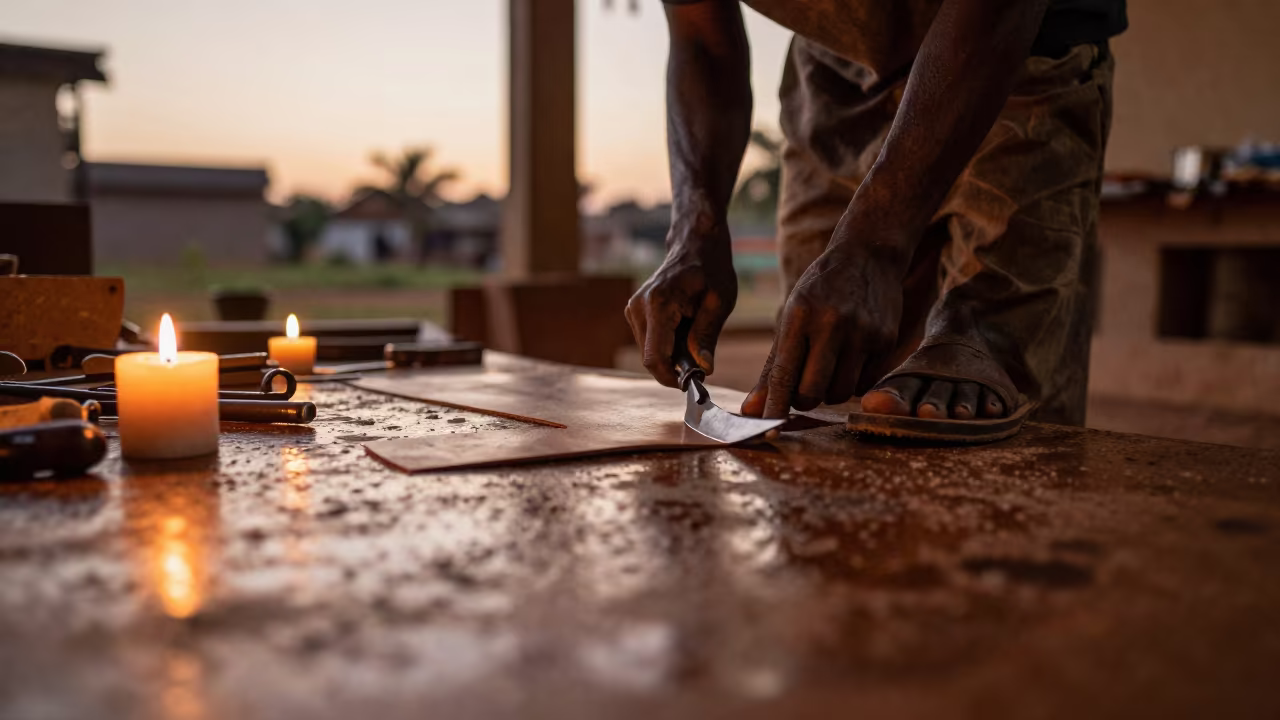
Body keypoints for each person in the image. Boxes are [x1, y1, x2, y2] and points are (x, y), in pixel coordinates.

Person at [625, 0, 1127, 426]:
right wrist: (695, 227)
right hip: (834, 80)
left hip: (1019, 49)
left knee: (997, 375)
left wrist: (874, 243)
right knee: (821, 372)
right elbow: (703, 41)